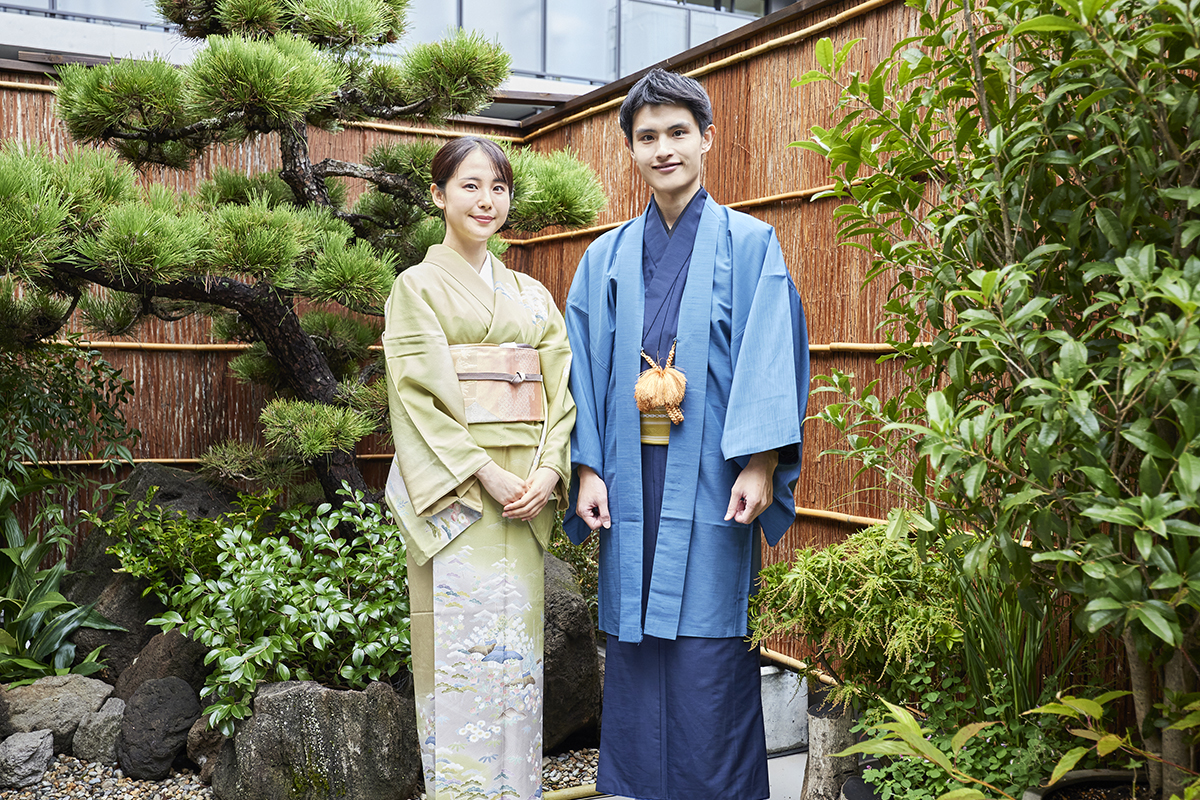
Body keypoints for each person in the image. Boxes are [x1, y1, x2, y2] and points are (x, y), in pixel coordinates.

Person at [564, 68, 810, 800]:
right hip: (629, 474)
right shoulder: (604, 257)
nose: (664, 149)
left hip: (712, 472)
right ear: (630, 151)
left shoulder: (752, 244)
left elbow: (772, 354)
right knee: (634, 650)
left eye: (678, 133)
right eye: (648, 137)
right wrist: (588, 471)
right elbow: (581, 368)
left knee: (709, 650)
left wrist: (762, 464)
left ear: (706, 138)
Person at [382, 136, 575, 800]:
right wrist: (486, 473)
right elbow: (417, 398)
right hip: (463, 498)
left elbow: (559, 392)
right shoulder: (416, 288)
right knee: (461, 658)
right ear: (438, 195)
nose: (486, 200)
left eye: (498, 187)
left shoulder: (531, 295)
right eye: (470, 185)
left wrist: (549, 470)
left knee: (516, 666)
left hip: (525, 497)